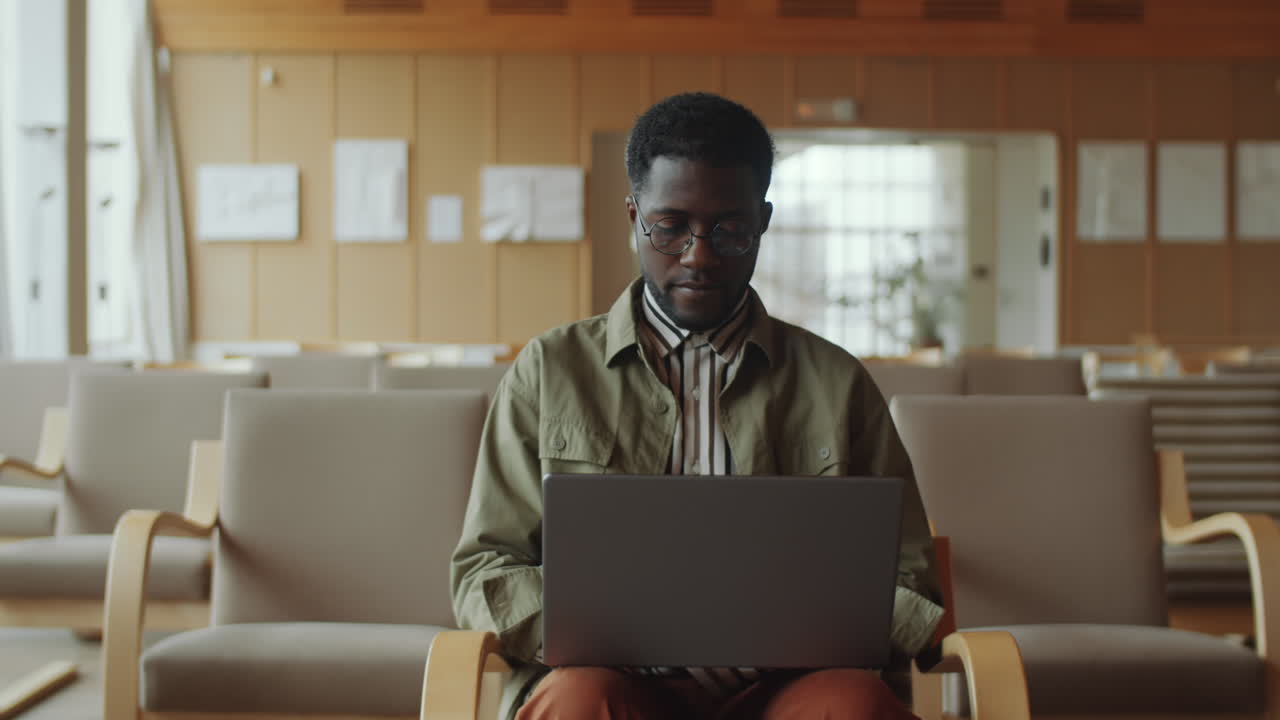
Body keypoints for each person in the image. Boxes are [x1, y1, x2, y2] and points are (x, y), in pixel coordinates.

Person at [451, 92, 943, 720]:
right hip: (612, 675)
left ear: (762, 222)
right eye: (671, 225)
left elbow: (913, 582)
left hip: (790, 684)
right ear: (634, 216)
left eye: (730, 229)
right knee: (577, 703)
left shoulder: (837, 382)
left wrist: (818, 620)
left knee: (852, 708)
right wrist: (604, 625)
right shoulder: (550, 371)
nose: (699, 255)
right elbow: (485, 568)